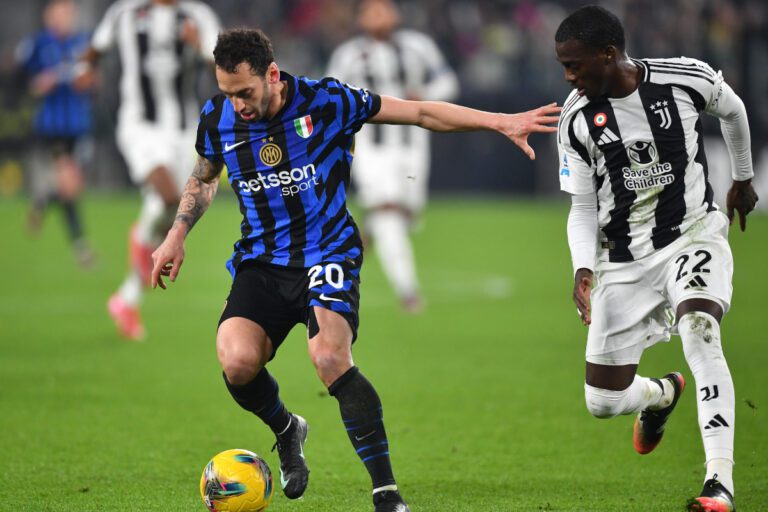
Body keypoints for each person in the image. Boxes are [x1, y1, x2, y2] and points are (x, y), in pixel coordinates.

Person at [150, 28, 559, 512]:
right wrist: (177, 232)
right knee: (237, 362)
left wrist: (498, 122)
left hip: (327, 253)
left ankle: (386, 492)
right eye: (228, 93)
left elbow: (421, 112)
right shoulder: (217, 119)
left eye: (246, 92)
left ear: (272, 75)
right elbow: (203, 177)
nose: (237, 104)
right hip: (261, 260)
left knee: (328, 357)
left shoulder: (327, 101)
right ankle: (288, 429)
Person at [554, 6, 758, 511]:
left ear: (609, 54)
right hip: (622, 260)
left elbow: (733, 111)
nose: (568, 76)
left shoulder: (685, 78)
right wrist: (583, 266)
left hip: (692, 236)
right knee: (602, 403)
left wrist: (743, 177)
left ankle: (719, 483)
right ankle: (663, 395)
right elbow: (582, 207)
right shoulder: (576, 118)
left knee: (701, 331)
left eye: (574, 65)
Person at [76, 0, 221, 340]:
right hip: (139, 125)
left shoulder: (197, 15)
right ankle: (141, 238)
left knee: (173, 208)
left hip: (184, 128)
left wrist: (200, 46)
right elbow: (94, 50)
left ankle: (126, 298)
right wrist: (82, 71)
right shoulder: (124, 12)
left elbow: (225, 64)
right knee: (170, 194)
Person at [327, 0, 459, 312]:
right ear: (361, 18)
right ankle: (408, 291)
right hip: (370, 148)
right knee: (390, 212)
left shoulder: (418, 47)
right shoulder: (347, 55)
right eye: (370, 10)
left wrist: (425, 96)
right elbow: (330, 95)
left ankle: (363, 234)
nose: (378, 16)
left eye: (383, 9)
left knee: (407, 214)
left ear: (396, 14)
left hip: (412, 145)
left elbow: (449, 82)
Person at [17, 0, 96, 268]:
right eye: (59, 14)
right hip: (53, 127)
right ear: (48, 16)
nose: (64, 18)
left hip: (78, 124)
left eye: (68, 13)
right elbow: (26, 82)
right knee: (70, 185)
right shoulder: (38, 45)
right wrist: (41, 84)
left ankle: (41, 201)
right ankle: (82, 248)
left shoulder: (82, 44)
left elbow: (93, 79)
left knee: (69, 187)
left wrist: (86, 80)